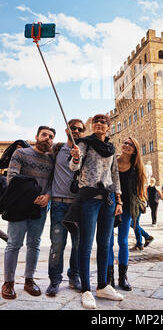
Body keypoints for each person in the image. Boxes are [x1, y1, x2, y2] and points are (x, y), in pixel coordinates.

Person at [68, 114, 124, 309]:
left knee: (105, 243)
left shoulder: (111, 148)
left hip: (107, 199)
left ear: (108, 128)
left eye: (104, 122)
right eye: (97, 122)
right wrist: (75, 158)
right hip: (89, 198)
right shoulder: (84, 143)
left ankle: (102, 285)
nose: (100, 124)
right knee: (86, 243)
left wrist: (119, 200)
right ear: (92, 125)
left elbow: (115, 174)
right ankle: (86, 289)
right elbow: (74, 164)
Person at [1, 126, 55, 300]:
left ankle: (29, 280)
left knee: (34, 244)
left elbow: (52, 182)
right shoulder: (21, 154)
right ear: (36, 136)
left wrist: (47, 196)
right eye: (44, 135)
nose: (47, 138)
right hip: (19, 206)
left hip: (40, 208)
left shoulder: (51, 159)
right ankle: (8, 282)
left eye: (51, 136)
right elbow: (12, 177)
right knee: (14, 244)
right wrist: (32, 195)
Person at [46, 119, 86, 297]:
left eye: (80, 129)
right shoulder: (57, 149)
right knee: (57, 243)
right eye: (73, 128)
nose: (76, 131)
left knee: (77, 244)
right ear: (67, 129)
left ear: (83, 132)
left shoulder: (85, 151)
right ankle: (54, 279)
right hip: (58, 203)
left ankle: (74, 276)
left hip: (77, 205)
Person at [107, 137, 148, 291]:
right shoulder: (112, 160)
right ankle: (109, 276)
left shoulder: (136, 167)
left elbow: (139, 189)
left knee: (123, 241)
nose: (126, 146)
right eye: (125, 143)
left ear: (135, 149)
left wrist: (138, 207)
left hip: (127, 207)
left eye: (130, 145)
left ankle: (123, 276)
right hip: (109, 204)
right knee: (108, 242)